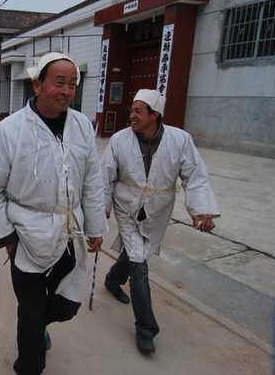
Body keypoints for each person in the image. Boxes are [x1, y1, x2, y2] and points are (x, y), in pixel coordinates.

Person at [0, 52, 106, 374]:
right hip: (25, 234)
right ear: (37, 85)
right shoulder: (9, 131)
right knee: (32, 312)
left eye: (72, 84)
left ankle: (35, 324)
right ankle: (29, 365)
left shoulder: (82, 127)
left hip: (67, 231)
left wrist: (96, 226)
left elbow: (92, 180)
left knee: (67, 305)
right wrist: (6, 235)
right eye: (59, 83)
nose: (66, 91)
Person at [103, 88, 219, 354]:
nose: (131, 115)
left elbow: (195, 175)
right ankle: (146, 328)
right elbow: (105, 176)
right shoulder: (120, 140)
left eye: (138, 111)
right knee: (139, 262)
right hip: (126, 203)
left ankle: (112, 280)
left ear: (154, 115)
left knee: (137, 252)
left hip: (157, 208)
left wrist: (201, 209)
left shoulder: (180, 140)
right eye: (131, 110)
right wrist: (103, 207)